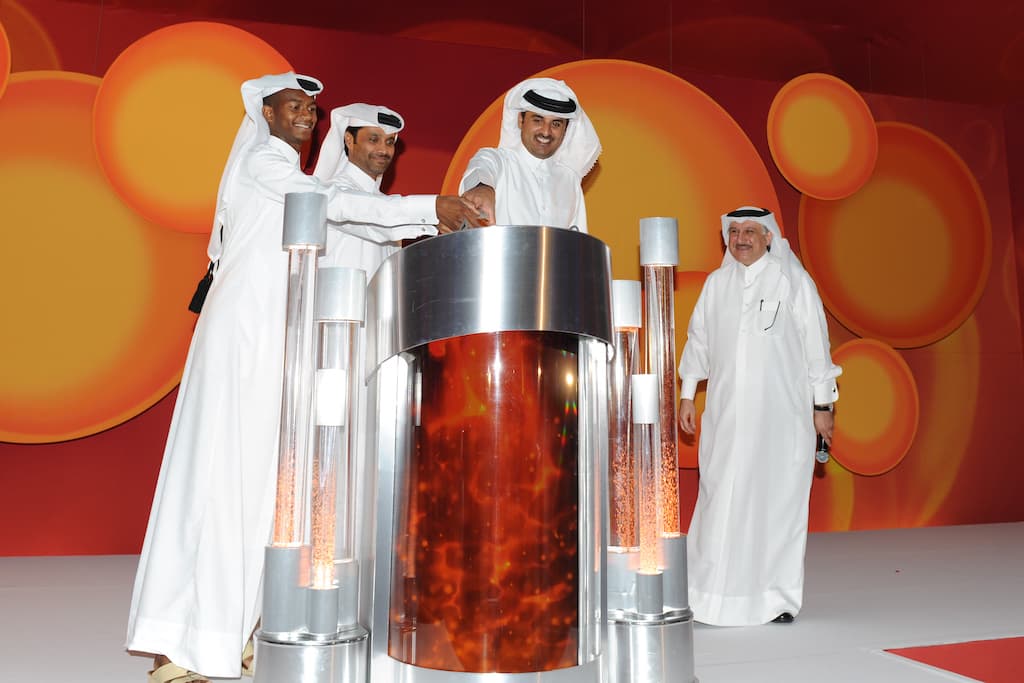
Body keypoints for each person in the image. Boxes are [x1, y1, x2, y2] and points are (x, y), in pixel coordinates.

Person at [126, 72, 480, 683]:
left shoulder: (293, 177)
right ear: (264, 113)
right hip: (242, 338)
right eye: (292, 106)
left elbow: (356, 220)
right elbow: (332, 205)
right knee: (218, 483)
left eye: (311, 109)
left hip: (275, 343)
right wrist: (432, 208)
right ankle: (179, 646)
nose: (305, 116)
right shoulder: (266, 164)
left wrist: (430, 222)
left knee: (260, 490)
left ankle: (229, 630)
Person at [677, 206, 841, 627]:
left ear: (769, 237)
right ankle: (705, 595)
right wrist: (688, 394)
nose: (741, 238)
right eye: (734, 231)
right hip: (727, 419)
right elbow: (698, 341)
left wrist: (823, 406)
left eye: (751, 230)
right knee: (719, 500)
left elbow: (816, 347)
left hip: (781, 421)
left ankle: (776, 599)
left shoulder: (792, 281)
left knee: (777, 505)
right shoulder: (716, 285)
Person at [459, 77, 601, 231]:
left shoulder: (569, 181)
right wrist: (482, 189)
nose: (546, 132)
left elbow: (577, 239)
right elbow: (480, 171)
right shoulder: (498, 160)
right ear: (521, 120)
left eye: (556, 124)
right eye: (537, 120)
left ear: (565, 130)